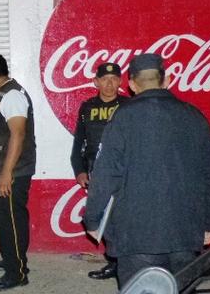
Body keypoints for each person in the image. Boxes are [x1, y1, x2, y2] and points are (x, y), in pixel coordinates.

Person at [84, 53, 210, 288]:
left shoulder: (122, 118)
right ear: (167, 80)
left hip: (136, 234)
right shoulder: (195, 116)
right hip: (185, 231)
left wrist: (92, 219)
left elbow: (105, 175)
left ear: (130, 84)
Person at [0, 53, 36, 291]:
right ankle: (13, 260)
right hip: (3, 169)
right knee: (7, 220)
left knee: (11, 221)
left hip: (12, 172)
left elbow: (18, 134)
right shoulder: (0, 94)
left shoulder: (11, 95)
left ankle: (17, 272)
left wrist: (6, 172)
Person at [70, 62, 128, 280]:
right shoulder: (87, 107)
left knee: (122, 219)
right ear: (96, 81)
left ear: (121, 82)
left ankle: (122, 263)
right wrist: (80, 170)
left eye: (114, 79)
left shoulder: (129, 106)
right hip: (97, 172)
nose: (109, 83)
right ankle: (114, 262)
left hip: (124, 172)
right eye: (104, 79)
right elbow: (79, 143)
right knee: (104, 219)